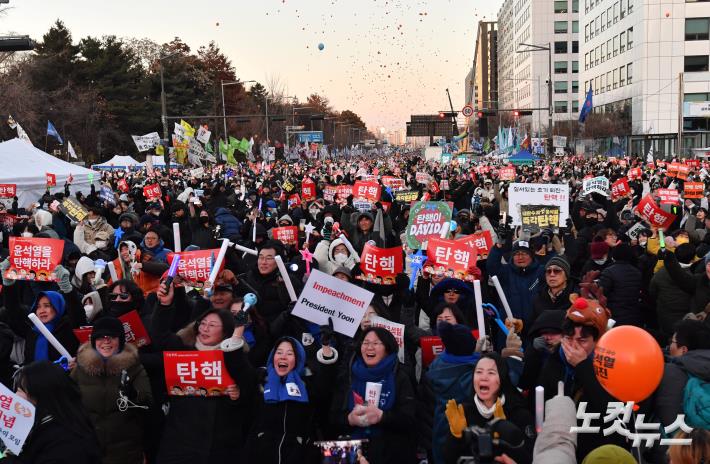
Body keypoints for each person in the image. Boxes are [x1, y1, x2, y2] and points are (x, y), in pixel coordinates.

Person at [152, 280, 256, 463]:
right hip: (179, 443)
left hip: (217, 447)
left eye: (212, 325)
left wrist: (235, 397)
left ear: (225, 331)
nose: (205, 329)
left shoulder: (233, 357)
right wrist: (165, 304)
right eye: (203, 323)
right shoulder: (183, 352)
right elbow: (160, 337)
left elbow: (248, 387)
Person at [71, 317, 152, 464]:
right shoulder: (80, 369)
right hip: (88, 449)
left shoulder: (134, 368)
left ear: (120, 340)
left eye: (112, 337)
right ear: (94, 341)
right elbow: (68, 403)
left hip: (125, 452)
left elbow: (147, 403)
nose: (106, 341)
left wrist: (133, 395)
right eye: (101, 337)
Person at [245, 336, 339, 463]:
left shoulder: (307, 385)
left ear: (298, 360)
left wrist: (326, 347)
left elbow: (326, 382)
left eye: (290, 353)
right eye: (279, 352)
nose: (283, 357)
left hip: (298, 456)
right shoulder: (260, 381)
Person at [330, 327, 417, 464]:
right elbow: (332, 417)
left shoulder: (401, 376)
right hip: (353, 453)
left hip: (390, 454)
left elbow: (409, 419)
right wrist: (349, 419)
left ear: (387, 348)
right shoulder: (348, 376)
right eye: (365, 343)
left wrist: (382, 416)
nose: (369, 347)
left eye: (376, 343)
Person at [442, 353, 535, 464]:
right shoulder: (463, 412)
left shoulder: (520, 414)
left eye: (491, 373)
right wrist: (456, 437)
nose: (484, 377)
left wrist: (505, 433)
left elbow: (529, 458)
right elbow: (449, 459)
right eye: (479, 372)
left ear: (502, 378)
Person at [5, 361, 101, 463]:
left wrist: (9, 457)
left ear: (39, 394)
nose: (15, 395)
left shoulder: (65, 443)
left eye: (20, 390)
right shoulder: (44, 425)